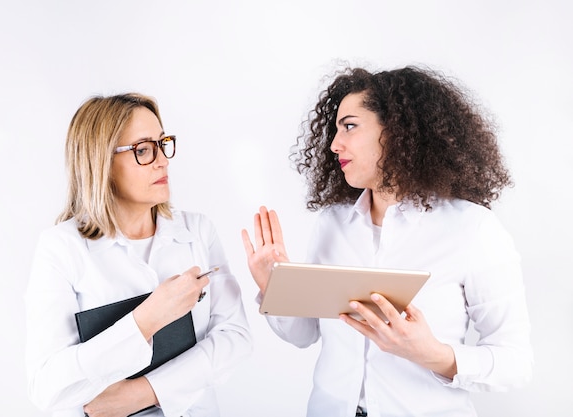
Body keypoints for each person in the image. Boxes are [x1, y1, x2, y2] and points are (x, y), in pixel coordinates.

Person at [242, 66, 533, 417]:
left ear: (397, 131)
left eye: (349, 126)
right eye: (335, 129)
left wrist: (433, 354)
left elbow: (515, 362)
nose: (335, 144)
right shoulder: (332, 224)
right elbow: (304, 335)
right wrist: (273, 286)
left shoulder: (473, 229)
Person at [26, 93, 252, 417]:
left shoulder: (198, 230)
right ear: (100, 162)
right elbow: (48, 386)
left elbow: (236, 338)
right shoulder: (61, 248)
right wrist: (147, 319)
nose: (163, 160)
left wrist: (144, 393)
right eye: (143, 150)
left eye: (163, 143)